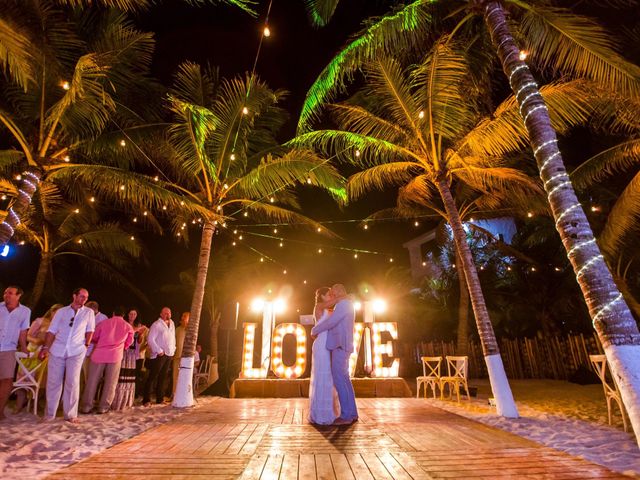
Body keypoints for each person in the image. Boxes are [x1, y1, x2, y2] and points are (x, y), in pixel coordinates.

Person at [40, 288, 95, 422]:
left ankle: (70, 414)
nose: (84, 299)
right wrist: (46, 347)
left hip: (76, 350)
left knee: (73, 381)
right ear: (74, 295)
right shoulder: (61, 311)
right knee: (54, 381)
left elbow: (90, 330)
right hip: (58, 349)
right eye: (81, 296)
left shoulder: (89, 312)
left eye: (86, 297)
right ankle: (49, 414)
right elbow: (52, 330)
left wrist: (86, 345)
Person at [310, 283, 358, 425]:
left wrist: (315, 330)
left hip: (340, 345)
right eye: (329, 292)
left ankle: (347, 415)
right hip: (338, 345)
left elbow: (331, 322)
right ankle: (352, 413)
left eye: (334, 291)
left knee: (340, 379)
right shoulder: (343, 304)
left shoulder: (344, 304)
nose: (332, 293)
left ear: (339, 291)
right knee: (343, 379)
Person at [81, 307, 133, 414]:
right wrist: (123, 347)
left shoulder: (104, 323)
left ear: (113, 313)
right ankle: (103, 407)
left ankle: (86, 406)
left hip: (99, 354)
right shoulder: (128, 326)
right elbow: (129, 342)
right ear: (123, 315)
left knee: (92, 381)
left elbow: (94, 337)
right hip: (115, 355)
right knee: (111, 383)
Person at [14, 303, 63, 413]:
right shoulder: (40, 321)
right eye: (57, 312)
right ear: (52, 311)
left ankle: (34, 404)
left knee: (42, 382)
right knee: (24, 380)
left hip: (47, 354)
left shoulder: (60, 325)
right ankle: (18, 406)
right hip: (32, 352)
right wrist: (37, 341)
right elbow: (27, 335)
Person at [308, 287, 340, 425]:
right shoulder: (319, 306)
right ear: (321, 296)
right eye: (328, 294)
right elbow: (336, 300)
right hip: (321, 345)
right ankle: (321, 414)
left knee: (328, 377)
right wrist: (345, 297)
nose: (331, 296)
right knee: (322, 376)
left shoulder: (330, 309)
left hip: (328, 344)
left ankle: (329, 412)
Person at [0, 286, 30, 420]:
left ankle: (0, 411)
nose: (6, 295)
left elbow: (23, 331)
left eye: (10, 293)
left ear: (18, 296)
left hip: (9, 348)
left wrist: (24, 347)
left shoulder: (25, 311)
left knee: (7, 380)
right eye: (5, 293)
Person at [142, 307, 175, 406]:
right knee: (153, 376)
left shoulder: (172, 323)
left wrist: (173, 349)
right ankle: (146, 399)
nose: (167, 315)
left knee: (163, 377)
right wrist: (159, 350)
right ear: (161, 314)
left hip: (169, 354)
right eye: (165, 313)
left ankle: (160, 398)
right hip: (159, 355)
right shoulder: (156, 325)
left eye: (169, 313)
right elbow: (150, 339)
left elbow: (173, 337)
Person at [111, 308, 140, 410]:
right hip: (123, 349)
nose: (132, 315)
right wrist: (136, 330)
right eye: (131, 313)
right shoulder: (124, 324)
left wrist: (140, 333)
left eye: (134, 314)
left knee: (129, 376)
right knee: (120, 374)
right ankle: (117, 400)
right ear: (128, 315)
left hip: (132, 352)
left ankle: (127, 400)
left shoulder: (138, 326)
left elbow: (138, 341)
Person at [172, 311, 189, 397]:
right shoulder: (178, 329)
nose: (182, 318)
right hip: (177, 356)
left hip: (187, 358)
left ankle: (185, 394)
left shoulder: (191, 330)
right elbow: (173, 341)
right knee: (175, 376)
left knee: (185, 377)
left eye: (184, 316)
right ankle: (175, 394)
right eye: (182, 316)